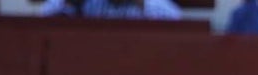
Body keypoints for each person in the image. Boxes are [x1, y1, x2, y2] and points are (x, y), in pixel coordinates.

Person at [39, 0, 182, 19]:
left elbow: (175, 17)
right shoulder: (88, 3)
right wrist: (71, 4)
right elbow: (45, 14)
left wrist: (141, 4)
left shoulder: (152, 4)